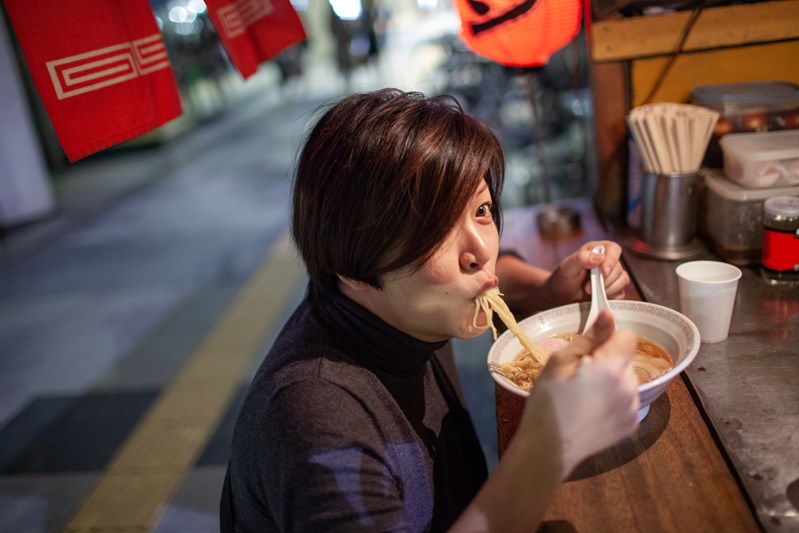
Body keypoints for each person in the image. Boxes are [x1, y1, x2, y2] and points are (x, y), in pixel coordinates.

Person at [221, 88, 639, 532]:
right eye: (436, 229)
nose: (482, 250)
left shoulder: (390, 301)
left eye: (482, 209)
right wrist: (548, 446)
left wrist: (546, 290)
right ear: (355, 264)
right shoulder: (315, 421)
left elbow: (500, 271)